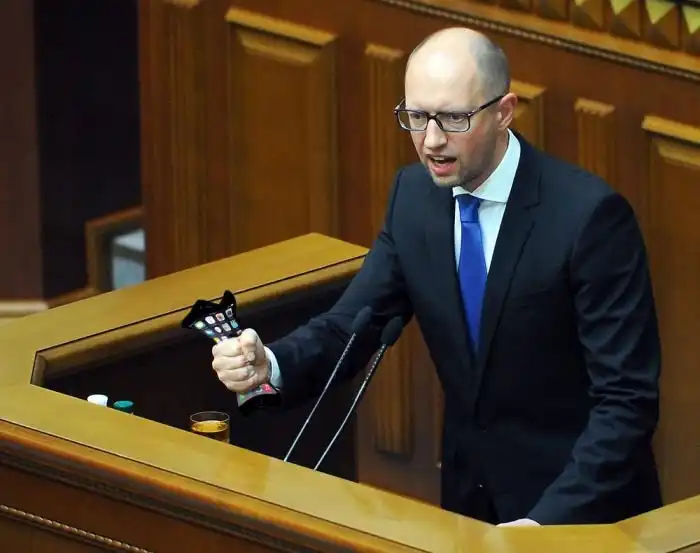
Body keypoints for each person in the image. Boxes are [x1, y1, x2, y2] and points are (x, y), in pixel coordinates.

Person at [211, 27, 662, 526]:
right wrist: (271, 365)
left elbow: (626, 402)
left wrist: (541, 527)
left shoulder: (588, 218)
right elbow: (351, 327)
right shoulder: (414, 199)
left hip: (582, 519)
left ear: (504, 112)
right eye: (417, 116)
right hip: (471, 510)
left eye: (453, 118)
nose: (431, 141)